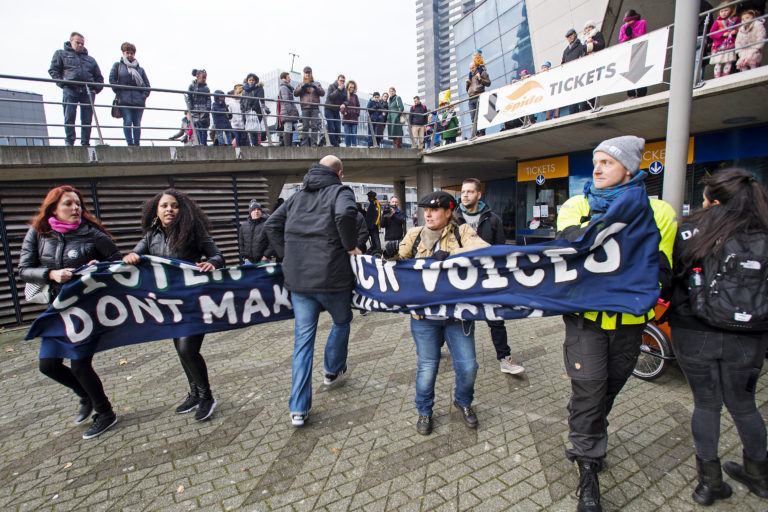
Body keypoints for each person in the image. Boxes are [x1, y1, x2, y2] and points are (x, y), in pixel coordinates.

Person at [555, 135, 677, 512]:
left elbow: (660, 274)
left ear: (629, 168)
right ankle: (588, 473)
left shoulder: (661, 212)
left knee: (604, 391)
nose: (597, 169)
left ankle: (585, 423)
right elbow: (569, 255)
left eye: (607, 162)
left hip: (629, 325)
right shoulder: (575, 205)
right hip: (585, 322)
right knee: (590, 389)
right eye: (595, 162)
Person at [665, 169, 768, 506]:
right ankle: (758, 475)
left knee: (706, 404)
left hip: (694, 331)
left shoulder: (690, 230)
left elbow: (669, 278)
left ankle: (709, 483)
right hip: (750, 336)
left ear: (711, 197)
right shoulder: (764, 229)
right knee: (745, 404)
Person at [264, 155, 361, 427]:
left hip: (300, 282)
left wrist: (288, 257)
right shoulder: (341, 192)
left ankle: (298, 409)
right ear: (339, 174)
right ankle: (331, 370)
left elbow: (271, 225)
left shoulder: (296, 197)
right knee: (341, 321)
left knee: (303, 342)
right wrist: (350, 246)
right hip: (333, 278)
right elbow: (345, 214)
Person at [18, 185, 121, 439]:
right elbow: (24, 270)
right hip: (56, 311)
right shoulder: (38, 233)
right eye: (68, 204)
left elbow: (117, 264)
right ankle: (85, 396)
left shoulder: (93, 235)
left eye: (78, 204)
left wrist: (100, 267)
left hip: (86, 310)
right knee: (48, 365)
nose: (75, 208)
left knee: (80, 365)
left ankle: (105, 413)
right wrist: (51, 274)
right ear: (53, 209)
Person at [384, 191, 489, 435]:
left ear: (448, 212)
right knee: (427, 367)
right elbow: (399, 258)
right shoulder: (415, 234)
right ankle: (424, 410)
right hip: (424, 318)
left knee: (468, 366)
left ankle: (463, 401)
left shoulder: (462, 232)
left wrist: (450, 256)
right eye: (426, 210)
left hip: (458, 316)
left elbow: (484, 251)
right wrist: (388, 253)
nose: (428, 215)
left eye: (434, 210)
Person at [122, 189, 224, 421]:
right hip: (168, 304)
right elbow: (133, 256)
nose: (169, 209)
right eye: (164, 206)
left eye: (174, 205)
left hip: (193, 300)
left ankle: (207, 397)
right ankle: (195, 394)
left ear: (182, 209)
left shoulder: (195, 232)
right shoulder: (151, 236)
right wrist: (130, 257)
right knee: (180, 350)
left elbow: (218, 256)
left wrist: (212, 263)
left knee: (188, 349)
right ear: (156, 211)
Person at [456, 178, 525, 376]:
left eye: (470, 191)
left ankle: (504, 358)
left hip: (487, 277)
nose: (465, 195)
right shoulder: (453, 218)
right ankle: (444, 348)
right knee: (455, 317)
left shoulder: (493, 219)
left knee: (495, 318)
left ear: (479, 194)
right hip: (460, 278)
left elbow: (500, 251)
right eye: (463, 191)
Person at [48, 32, 104, 146]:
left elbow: (99, 78)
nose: (80, 45)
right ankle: (69, 142)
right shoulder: (60, 54)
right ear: (71, 41)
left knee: (87, 119)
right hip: (70, 88)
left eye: (82, 43)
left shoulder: (90, 59)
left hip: (87, 91)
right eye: (77, 43)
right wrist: (62, 83)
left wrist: (95, 89)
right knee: (69, 116)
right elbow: (53, 70)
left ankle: (85, 142)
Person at [108, 42, 150, 146]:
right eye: (127, 53)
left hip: (138, 101)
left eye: (132, 53)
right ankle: (130, 143)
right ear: (123, 53)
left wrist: (143, 97)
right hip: (124, 100)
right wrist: (119, 92)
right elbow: (112, 80)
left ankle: (137, 143)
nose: (130, 55)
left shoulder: (140, 69)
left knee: (137, 123)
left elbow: (147, 86)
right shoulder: (118, 66)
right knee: (127, 121)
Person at [619, 10, 649, 97]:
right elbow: (621, 41)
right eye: (626, 21)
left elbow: (641, 35)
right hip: (629, 53)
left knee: (640, 72)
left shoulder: (642, 23)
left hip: (640, 50)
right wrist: (627, 36)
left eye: (629, 20)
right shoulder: (623, 27)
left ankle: (641, 93)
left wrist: (632, 33)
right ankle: (631, 94)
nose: (628, 23)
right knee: (629, 74)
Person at [294, 66, 325, 147]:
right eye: (306, 73)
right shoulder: (300, 84)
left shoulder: (317, 83)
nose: (307, 74)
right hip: (305, 108)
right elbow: (295, 93)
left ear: (311, 73)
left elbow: (322, 93)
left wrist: (316, 87)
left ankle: (314, 144)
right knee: (305, 127)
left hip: (314, 108)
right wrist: (302, 87)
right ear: (304, 74)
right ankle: (305, 144)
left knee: (315, 126)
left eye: (309, 73)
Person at [709, 2, 740, 78]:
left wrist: (735, 31)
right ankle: (717, 75)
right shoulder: (717, 22)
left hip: (730, 43)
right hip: (719, 45)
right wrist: (722, 34)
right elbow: (712, 34)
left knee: (729, 60)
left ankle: (726, 73)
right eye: (721, 11)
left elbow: (739, 27)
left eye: (726, 10)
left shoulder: (735, 19)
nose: (724, 13)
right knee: (718, 61)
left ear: (731, 10)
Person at [562, 28, 587, 115]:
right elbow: (563, 63)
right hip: (570, 78)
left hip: (580, 75)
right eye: (568, 36)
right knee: (572, 99)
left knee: (582, 97)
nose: (569, 37)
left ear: (575, 34)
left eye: (571, 35)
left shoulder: (581, 45)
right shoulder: (566, 51)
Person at [465, 62, 491, 137]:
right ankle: (475, 133)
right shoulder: (470, 76)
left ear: (476, 67)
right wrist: (468, 83)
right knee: (473, 117)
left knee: (481, 115)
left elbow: (488, 83)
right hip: (471, 98)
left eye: (473, 68)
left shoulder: (482, 73)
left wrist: (480, 79)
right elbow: (467, 90)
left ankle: (482, 132)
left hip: (479, 96)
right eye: (470, 68)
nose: (471, 70)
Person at [186, 69, 211, 146]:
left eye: (205, 78)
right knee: (197, 126)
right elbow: (189, 97)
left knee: (203, 127)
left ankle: (203, 143)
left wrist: (208, 108)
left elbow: (208, 98)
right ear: (197, 76)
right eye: (203, 77)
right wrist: (191, 107)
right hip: (195, 108)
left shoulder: (206, 88)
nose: (204, 79)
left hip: (203, 108)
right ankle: (200, 142)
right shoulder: (192, 86)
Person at [243, 73, 267, 146]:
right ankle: (254, 144)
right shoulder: (245, 90)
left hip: (256, 110)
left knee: (255, 127)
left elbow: (260, 99)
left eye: (252, 80)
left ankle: (256, 144)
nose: (251, 81)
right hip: (247, 110)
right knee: (251, 128)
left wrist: (253, 107)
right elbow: (243, 100)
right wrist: (243, 108)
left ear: (255, 81)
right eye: (249, 80)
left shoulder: (259, 88)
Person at [277, 72, 299, 148]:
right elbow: (286, 101)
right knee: (288, 128)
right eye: (288, 77)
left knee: (289, 128)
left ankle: (288, 146)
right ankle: (287, 147)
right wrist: (291, 112)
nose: (290, 79)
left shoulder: (285, 87)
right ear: (284, 78)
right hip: (287, 112)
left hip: (287, 111)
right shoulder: (284, 87)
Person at [325, 75, 346, 147]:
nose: (342, 82)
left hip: (336, 111)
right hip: (329, 109)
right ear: (337, 80)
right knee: (331, 127)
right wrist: (338, 90)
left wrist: (344, 104)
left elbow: (346, 100)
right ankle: (333, 144)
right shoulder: (331, 86)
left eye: (343, 81)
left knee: (338, 128)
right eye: (341, 80)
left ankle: (335, 142)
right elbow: (330, 97)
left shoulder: (344, 90)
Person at [340, 80, 360, 147]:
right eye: (350, 87)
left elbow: (358, 106)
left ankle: (354, 145)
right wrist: (344, 112)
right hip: (346, 117)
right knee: (347, 133)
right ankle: (348, 146)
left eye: (353, 87)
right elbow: (341, 105)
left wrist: (357, 113)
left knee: (354, 133)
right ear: (348, 87)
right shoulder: (344, 95)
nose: (352, 88)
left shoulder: (355, 96)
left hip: (354, 118)